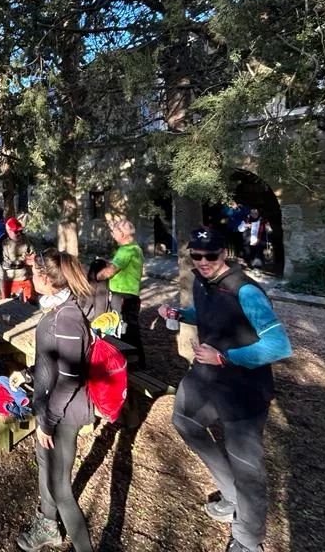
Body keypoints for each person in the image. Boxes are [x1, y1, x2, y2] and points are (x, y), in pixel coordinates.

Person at [158, 228, 292, 552]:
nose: (203, 262)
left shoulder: (245, 291)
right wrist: (181, 313)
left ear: (224, 254)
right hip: (207, 378)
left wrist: (225, 357)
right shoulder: (203, 282)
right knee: (185, 419)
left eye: (211, 256)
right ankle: (231, 495)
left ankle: (248, 540)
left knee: (248, 469)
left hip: (244, 390)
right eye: (197, 255)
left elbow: (279, 345)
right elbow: (206, 316)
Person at [16, 248, 98, 552]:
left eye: (35, 272)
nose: (30, 275)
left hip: (62, 415)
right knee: (46, 470)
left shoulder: (67, 319)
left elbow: (70, 380)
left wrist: (47, 423)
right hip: (49, 408)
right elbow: (54, 363)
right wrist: (28, 373)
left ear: (45, 278)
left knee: (61, 489)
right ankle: (48, 525)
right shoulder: (56, 307)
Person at [95, 219, 146, 369]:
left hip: (123, 295)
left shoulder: (126, 250)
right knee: (129, 328)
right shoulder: (135, 248)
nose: (112, 234)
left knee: (124, 329)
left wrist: (94, 276)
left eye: (114, 231)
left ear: (123, 234)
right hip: (130, 295)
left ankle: (133, 364)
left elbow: (110, 271)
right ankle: (137, 362)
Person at [0, 216, 35, 302]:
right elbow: (5, 264)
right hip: (8, 280)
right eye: (16, 231)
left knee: (28, 305)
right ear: (8, 231)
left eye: (20, 231)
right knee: (7, 305)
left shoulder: (25, 239)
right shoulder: (2, 242)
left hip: (25, 278)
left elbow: (32, 255)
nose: (19, 233)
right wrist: (24, 260)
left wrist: (25, 260)